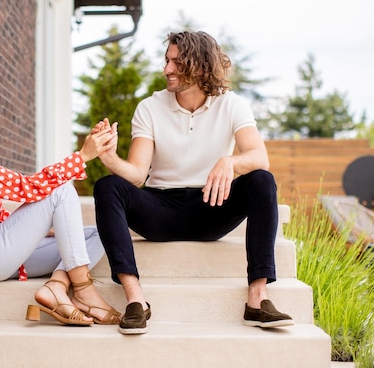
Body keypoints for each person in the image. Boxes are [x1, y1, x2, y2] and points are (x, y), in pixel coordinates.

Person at [91, 31, 294, 334]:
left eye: (177, 63)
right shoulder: (150, 107)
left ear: (200, 66)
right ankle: (136, 300)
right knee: (107, 186)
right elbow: (136, 174)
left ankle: (257, 299)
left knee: (262, 180)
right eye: (167, 61)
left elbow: (259, 156)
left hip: (211, 207)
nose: (167, 70)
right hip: (159, 209)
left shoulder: (232, 104)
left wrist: (230, 162)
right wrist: (109, 158)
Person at [0, 73, 121, 326]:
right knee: (60, 190)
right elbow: (25, 188)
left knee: (105, 232)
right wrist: (82, 156)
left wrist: (47, 229)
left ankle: (57, 285)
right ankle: (83, 289)